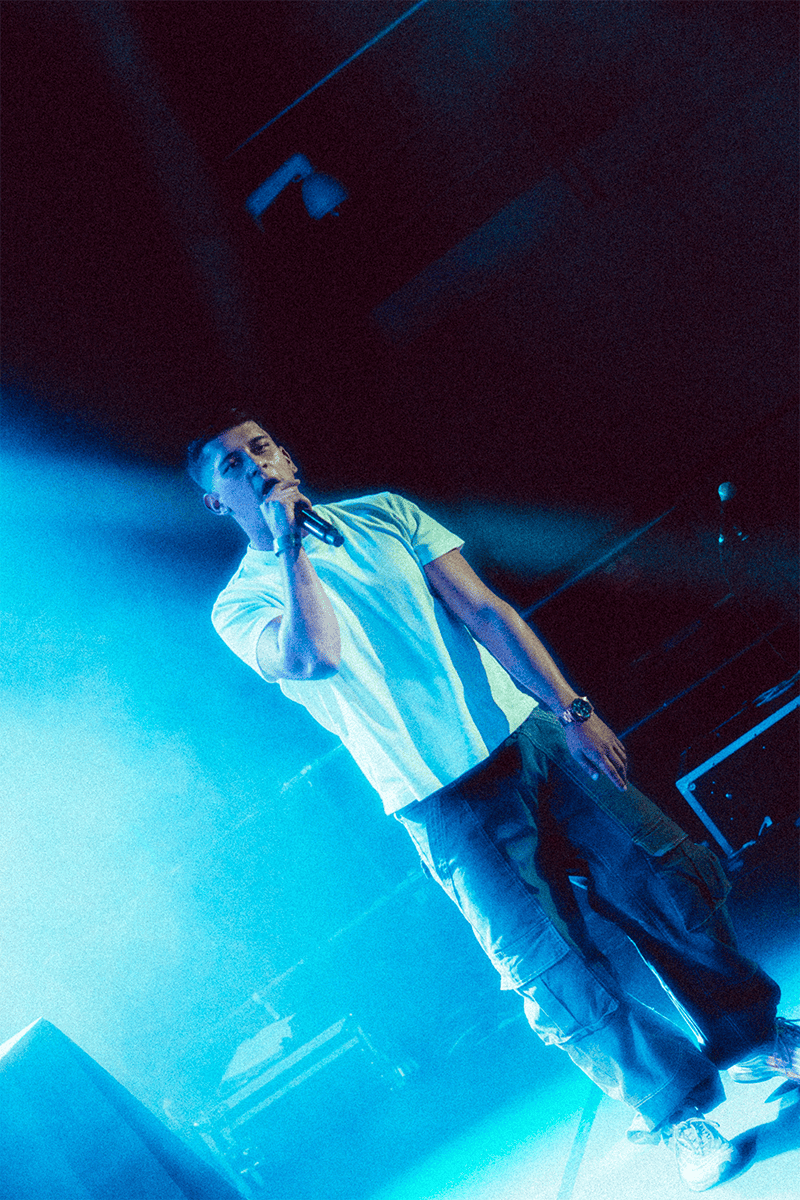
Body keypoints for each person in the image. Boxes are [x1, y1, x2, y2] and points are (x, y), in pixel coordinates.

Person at [186, 409, 799, 1193]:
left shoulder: (385, 514)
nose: (256, 464)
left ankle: (754, 1037)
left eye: (261, 446)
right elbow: (314, 656)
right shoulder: (240, 603)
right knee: (554, 975)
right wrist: (290, 543)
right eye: (232, 467)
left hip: (531, 742)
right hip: (442, 803)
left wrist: (572, 710)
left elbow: (486, 613)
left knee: (667, 885)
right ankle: (677, 1113)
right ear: (215, 501)